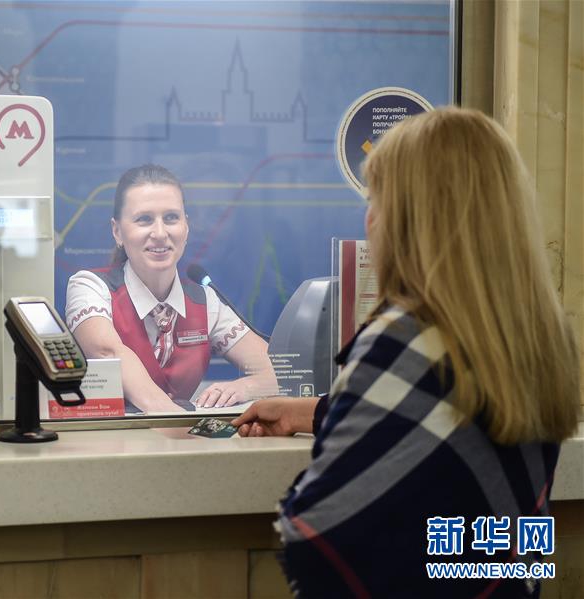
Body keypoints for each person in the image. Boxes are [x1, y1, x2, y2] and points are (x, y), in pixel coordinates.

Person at [233, 107, 580, 597]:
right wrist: (309, 412)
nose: (369, 218)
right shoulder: (538, 338)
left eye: (379, 200)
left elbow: (317, 534)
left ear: (415, 223)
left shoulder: (403, 338)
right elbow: (448, 413)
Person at [65, 164, 278, 413]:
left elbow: (278, 372)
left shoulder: (204, 301)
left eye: (171, 218)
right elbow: (109, 353)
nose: (160, 233)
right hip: (110, 437)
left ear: (186, 227)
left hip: (181, 435)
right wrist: (176, 420)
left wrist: (245, 387)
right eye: (144, 219)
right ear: (117, 231)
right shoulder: (89, 287)